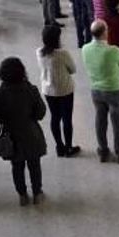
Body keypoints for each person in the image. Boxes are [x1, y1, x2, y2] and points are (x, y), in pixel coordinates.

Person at [0, 58, 47, 206]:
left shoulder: (0, 93)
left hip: (11, 137)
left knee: (17, 167)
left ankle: (22, 195)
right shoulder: (31, 89)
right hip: (31, 134)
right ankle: (37, 193)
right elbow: (41, 112)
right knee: (34, 165)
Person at [80, 20, 119, 164]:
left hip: (96, 90)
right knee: (118, 123)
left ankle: (103, 151)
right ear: (104, 32)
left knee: (100, 121)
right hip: (113, 90)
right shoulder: (112, 50)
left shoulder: (85, 48)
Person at [37, 25, 81, 158]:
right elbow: (73, 69)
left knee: (55, 118)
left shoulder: (39, 52)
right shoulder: (62, 54)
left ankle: (59, 146)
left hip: (48, 90)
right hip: (64, 89)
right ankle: (69, 147)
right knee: (67, 119)